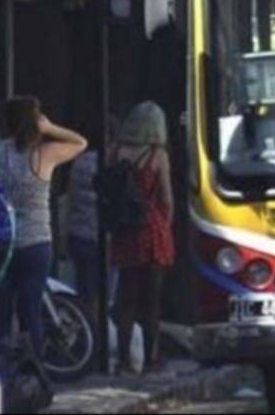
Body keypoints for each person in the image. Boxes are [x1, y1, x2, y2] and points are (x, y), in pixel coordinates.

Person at [0, 96, 86, 355]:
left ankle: (0, 368)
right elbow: (80, 143)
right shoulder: (43, 154)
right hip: (36, 242)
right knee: (31, 312)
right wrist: (50, 127)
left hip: (1, 242)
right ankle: (33, 366)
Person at [109, 101, 174, 374]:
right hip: (151, 229)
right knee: (152, 301)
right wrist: (166, 225)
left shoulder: (115, 151)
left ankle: (124, 360)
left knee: (127, 299)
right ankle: (151, 359)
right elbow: (166, 198)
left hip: (125, 230)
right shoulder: (158, 156)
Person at [64, 117, 117, 333]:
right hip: (99, 237)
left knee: (83, 291)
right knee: (101, 294)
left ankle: (84, 333)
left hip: (77, 234)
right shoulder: (109, 164)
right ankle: (96, 335)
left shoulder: (78, 162)